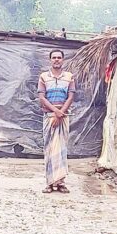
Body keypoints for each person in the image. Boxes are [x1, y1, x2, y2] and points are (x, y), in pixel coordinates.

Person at [37, 49, 75, 194]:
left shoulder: (69, 77)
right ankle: (49, 183)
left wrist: (60, 113)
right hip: (49, 116)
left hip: (63, 117)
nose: (57, 60)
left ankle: (61, 183)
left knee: (61, 149)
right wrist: (55, 112)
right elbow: (42, 97)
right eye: (54, 58)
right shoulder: (44, 77)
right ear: (50, 60)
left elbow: (70, 97)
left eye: (59, 57)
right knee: (50, 149)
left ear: (63, 60)